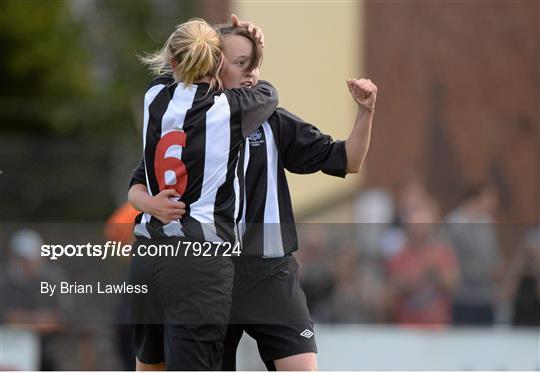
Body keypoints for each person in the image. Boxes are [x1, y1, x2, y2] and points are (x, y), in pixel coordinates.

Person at [129, 18, 377, 370]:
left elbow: (348, 161)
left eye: (256, 63)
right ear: (212, 65)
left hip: (267, 270)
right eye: (241, 62)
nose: (252, 73)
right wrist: (149, 202)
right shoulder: (204, 116)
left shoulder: (270, 120)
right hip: (211, 269)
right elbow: (138, 182)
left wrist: (366, 113)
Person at [129, 18, 278, 370]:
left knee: (149, 366)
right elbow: (268, 92)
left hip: (148, 255)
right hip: (200, 261)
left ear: (174, 61)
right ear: (219, 62)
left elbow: (182, 63)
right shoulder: (232, 108)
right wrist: (253, 54)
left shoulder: (155, 96)